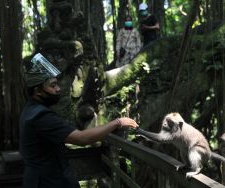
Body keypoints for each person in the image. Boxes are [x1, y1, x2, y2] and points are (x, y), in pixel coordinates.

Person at [19, 53, 139, 188]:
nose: (58, 89)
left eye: (57, 84)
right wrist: (117, 122)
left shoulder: (30, 110)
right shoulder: (41, 116)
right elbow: (81, 139)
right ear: (38, 91)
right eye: (52, 86)